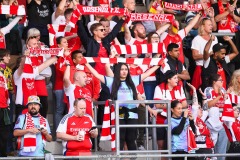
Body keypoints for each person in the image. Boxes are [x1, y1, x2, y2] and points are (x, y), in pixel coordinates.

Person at [83, 60, 161, 151]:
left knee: (131, 139)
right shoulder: (111, 81)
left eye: (126, 69)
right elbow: (96, 74)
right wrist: (86, 63)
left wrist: (158, 65)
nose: (124, 71)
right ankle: (118, 157)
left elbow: (147, 73)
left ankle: (133, 158)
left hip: (132, 114)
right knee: (120, 138)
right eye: (122, 69)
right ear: (117, 71)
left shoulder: (134, 80)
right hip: (119, 113)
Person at [154, 70, 187, 152]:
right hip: (162, 120)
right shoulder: (159, 87)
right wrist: (174, 104)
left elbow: (185, 103)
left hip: (176, 120)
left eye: (177, 78)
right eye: (175, 78)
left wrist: (169, 104)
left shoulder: (180, 88)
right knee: (162, 146)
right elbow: (157, 105)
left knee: (176, 144)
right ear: (168, 80)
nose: (177, 80)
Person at [204, 74, 229, 160]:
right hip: (212, 121)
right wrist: (219, 96)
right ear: (214, 82)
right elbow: (208, 105)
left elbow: (227, 104)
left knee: (222, 145)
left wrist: (226, 98)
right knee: (211, 144)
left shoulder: (223, 90)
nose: (222, 82)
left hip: (223, 120)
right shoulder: (208, 90)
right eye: (220, 80)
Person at [191, 18, 218, 91]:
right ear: (203, 26)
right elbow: (195, 56)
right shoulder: (197, 39)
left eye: (211, 25)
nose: (211, 27)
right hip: (201, 68)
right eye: (209, 25)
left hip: (213, 68)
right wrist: (208, 54)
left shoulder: (214, 38)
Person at [0, 49, 15, 155]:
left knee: (6, 128)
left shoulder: (8, 70)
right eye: (7, 56)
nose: (9, 58)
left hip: (6, 100)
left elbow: (8, 87)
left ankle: (6, 151)